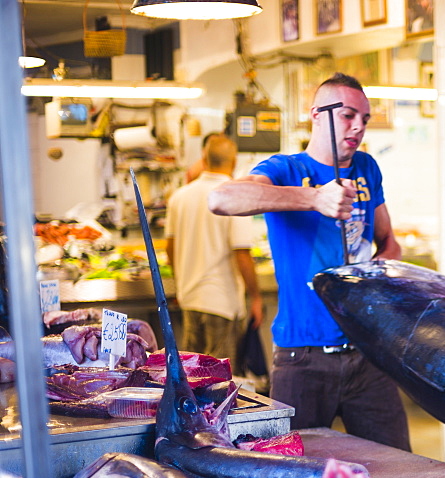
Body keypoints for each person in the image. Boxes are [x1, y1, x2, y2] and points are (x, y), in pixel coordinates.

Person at [208, 72, 410, 452]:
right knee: (292, 474)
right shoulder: (285, 169)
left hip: (368, 353)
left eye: (364, 119)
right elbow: (221, 199)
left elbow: (390, 242)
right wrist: (313, 199)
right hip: (303, 358)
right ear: (316, 114)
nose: (358, 127)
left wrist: (379, 273)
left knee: (399, 467)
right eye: (349, 115)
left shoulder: (366, 168)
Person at [165, 133, 263, 363]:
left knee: (191, 377)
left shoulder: (179, 196)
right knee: (219, 382)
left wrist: (180, 284)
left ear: (204, 158)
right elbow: (242, 254)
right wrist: (256, 297)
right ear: (235, 161)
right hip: (221, 302)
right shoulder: (235, 195)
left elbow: (170, 248)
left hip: (189, 297)